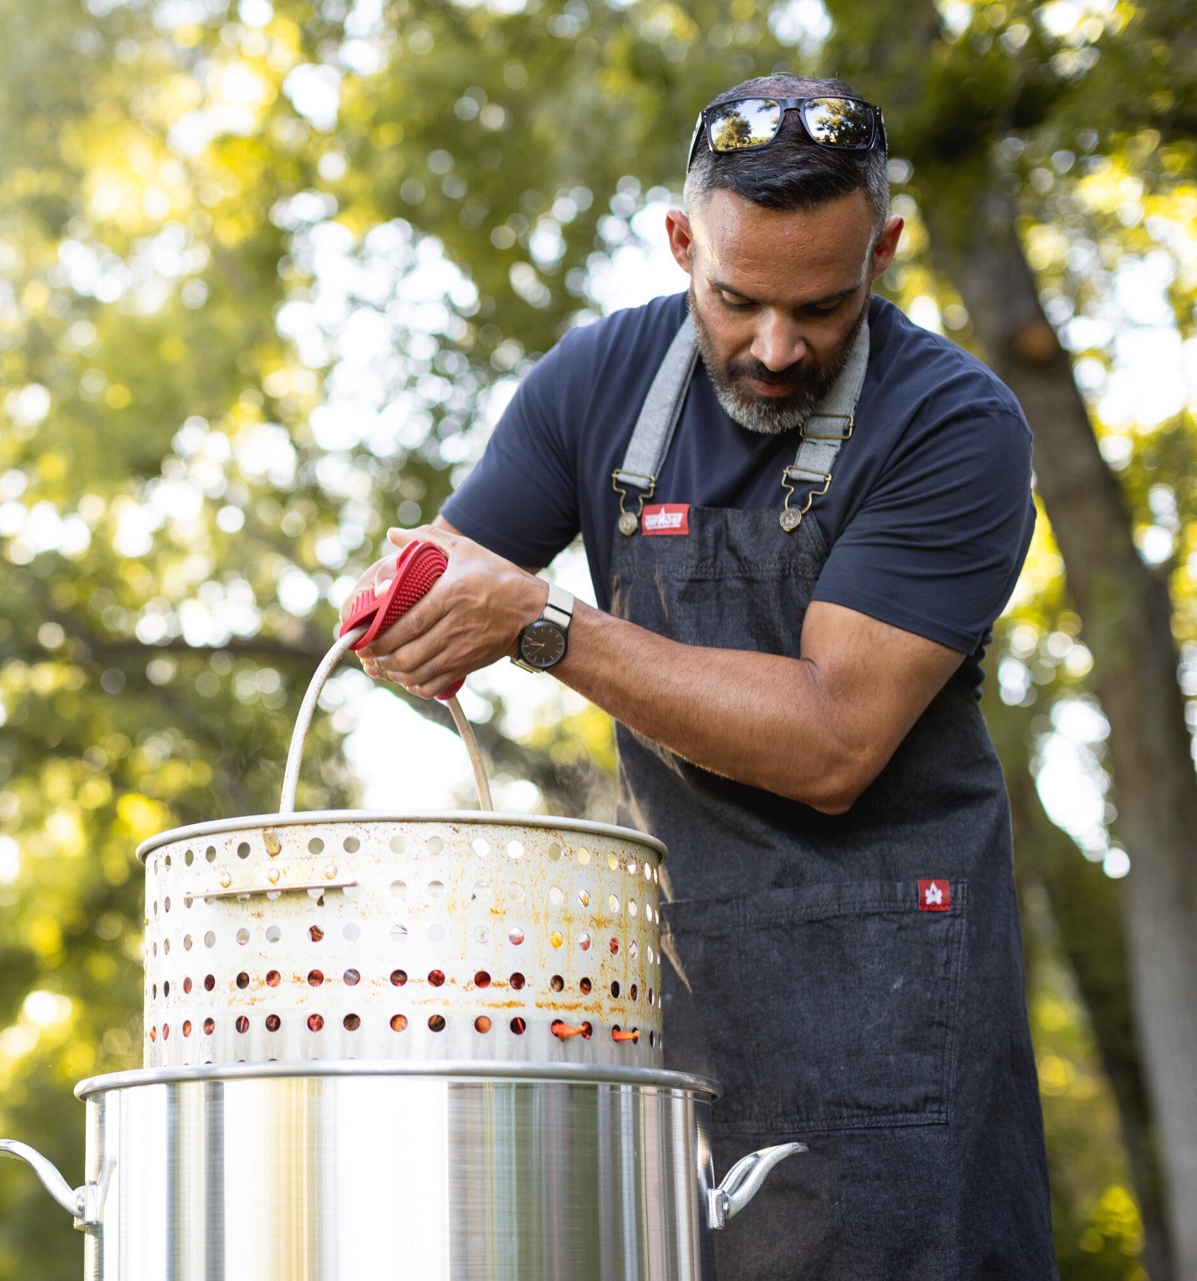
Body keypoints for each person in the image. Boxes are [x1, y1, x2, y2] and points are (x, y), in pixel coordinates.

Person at [347, 74, 1057, 1279]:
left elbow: (833, 742)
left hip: (904, 1026)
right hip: (684, 1006)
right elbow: (451, 585)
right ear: (683, 243)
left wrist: (545, 626)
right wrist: (404, 604)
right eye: (737, 300)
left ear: (883, 250)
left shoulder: (955, 426)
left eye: (823, 306)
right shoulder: (594, 385)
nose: (776, 349)